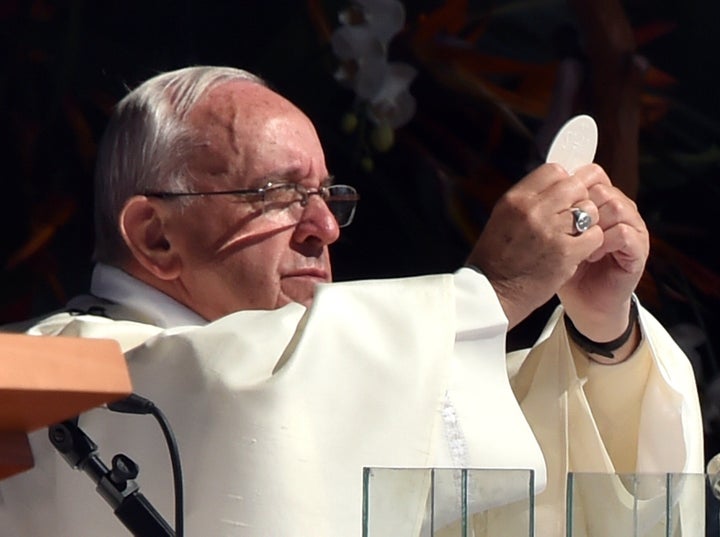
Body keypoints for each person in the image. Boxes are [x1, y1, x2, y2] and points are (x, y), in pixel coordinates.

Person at [0, 65, 703, 536]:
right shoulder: (38, 372)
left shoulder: (357, 381)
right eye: (277, 194)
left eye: (329, 196)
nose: (326, 227)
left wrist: (601, 331)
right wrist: (493, 291)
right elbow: (214, 392)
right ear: (155, 235)